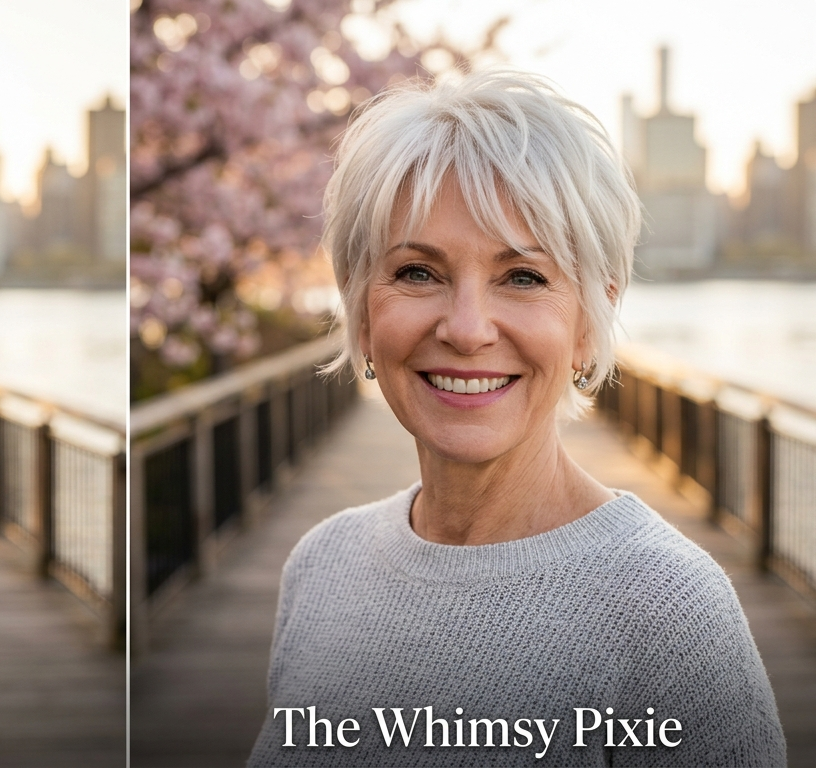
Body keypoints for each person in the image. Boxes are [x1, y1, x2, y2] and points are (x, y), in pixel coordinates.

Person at [248, 71, 786, 766]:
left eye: (523, 277)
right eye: (417, 272)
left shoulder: (669, 612)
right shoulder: (321, 565)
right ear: (361, 310)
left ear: (589, 323)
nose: (468, 329)